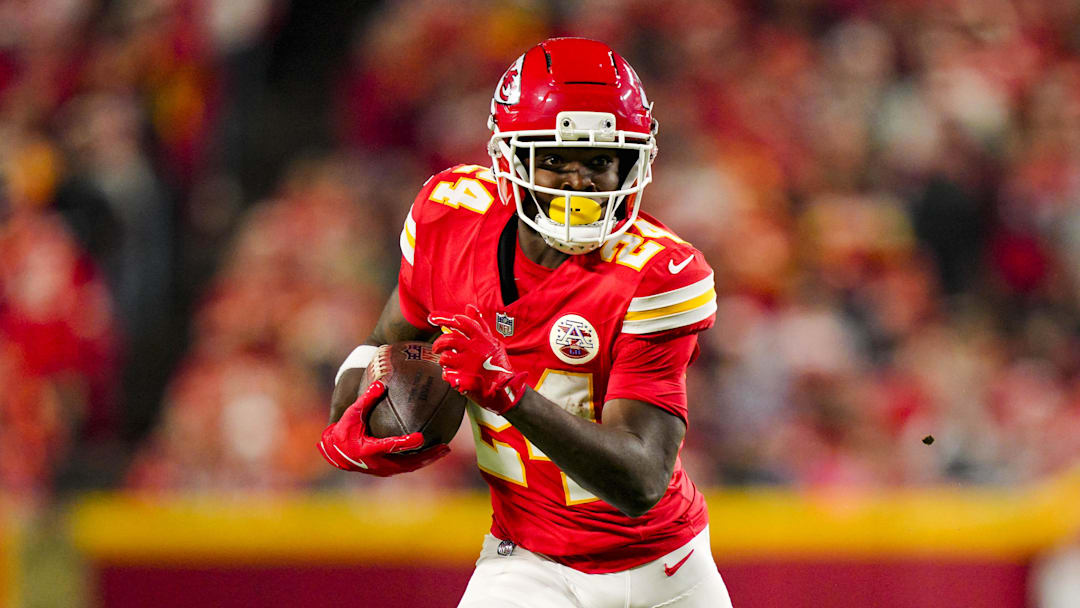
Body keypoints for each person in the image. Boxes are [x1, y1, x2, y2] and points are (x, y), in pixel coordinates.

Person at [319, 37, 733, 608]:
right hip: (525, 562)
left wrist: (509, 392)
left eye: (599, 161)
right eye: (556, 159)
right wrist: (349, 410)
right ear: (512, 158)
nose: (578, 183)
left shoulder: (657, 272)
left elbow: (640, 481)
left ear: (631, 163)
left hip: (661, 568)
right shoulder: (450, 219)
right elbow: (389, 340)